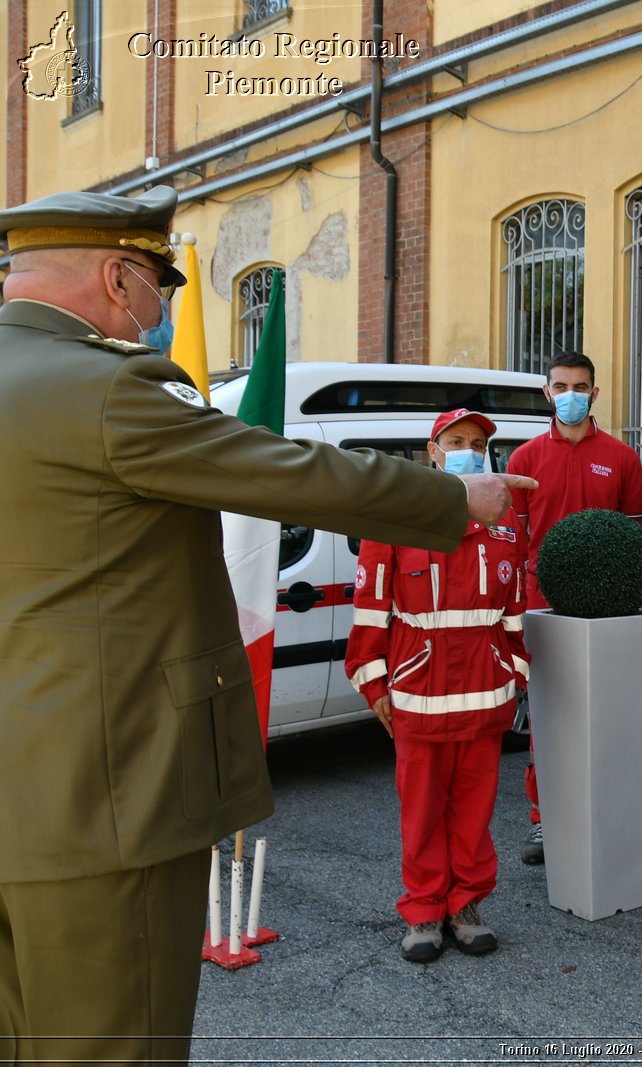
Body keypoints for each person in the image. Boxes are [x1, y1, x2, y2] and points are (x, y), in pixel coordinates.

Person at [0, 186, 535, 1062]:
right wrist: (453, 495)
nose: (158, 316)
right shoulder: (102, 386)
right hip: (102, 801)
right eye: (159, 291)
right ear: (117, 275)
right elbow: (284, 471)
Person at [345, 410, 529, 963]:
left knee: (474, 809)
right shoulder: (396, 515)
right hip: (417, 689)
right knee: (422, 808)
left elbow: (514, 607)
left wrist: (517, 670)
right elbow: (372, 609)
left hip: (484, 688)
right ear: (433, 450)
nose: (468, 449)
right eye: (457, 441)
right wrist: (373, 682)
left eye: (477, 443)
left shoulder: (502, 516)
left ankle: (466, 906)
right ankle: (424, 910)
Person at [506, 351, 642, 865]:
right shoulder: (523, 459)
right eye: (561, 386)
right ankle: (545, 821)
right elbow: (515, 540)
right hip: (542, 608)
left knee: (606, 716)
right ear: (547, 393)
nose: (571, 394)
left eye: (580, 386)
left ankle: (603, 812)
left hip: (607, 613)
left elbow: (633, 535)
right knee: (547, 719)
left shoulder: (622, 457)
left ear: (595, 393)